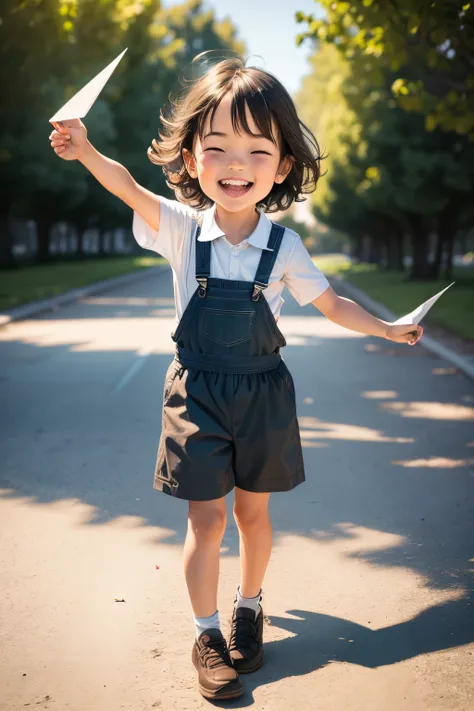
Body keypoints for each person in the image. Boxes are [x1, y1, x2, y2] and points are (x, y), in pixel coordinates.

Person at [49, 55, 423, 701]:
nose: (235, 164)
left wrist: (388, 328)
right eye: (216, 146)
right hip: (196, 390)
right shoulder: (179, 230)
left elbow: (332, 304)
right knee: (207, 520)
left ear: (280, 167)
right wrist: (84, 149)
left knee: (252, 514)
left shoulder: (285, 248)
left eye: (256, 150)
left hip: (262, 393)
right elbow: (127, 186)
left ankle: (248, 606)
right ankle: (207, 634)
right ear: (192, 159)